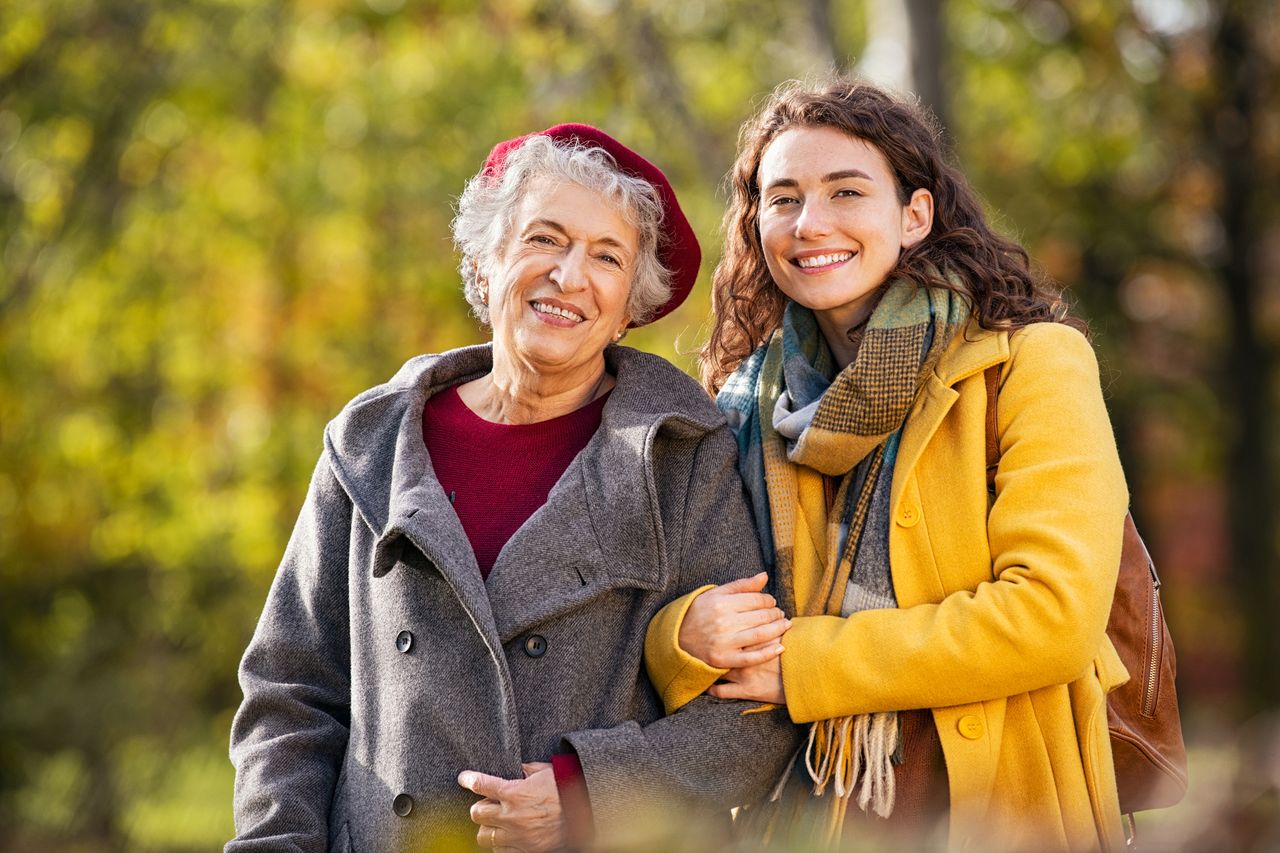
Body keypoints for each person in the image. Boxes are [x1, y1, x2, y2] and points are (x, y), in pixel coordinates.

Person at [227, 123, 800, 851]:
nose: (569, 275)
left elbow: (751, 717)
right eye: (544, 239)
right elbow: (290, 693)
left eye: (606, 257)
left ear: (630, 305)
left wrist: (587, 795)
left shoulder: (682, 451)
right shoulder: (371, 443)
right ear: (485, 262)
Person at [644, 79, 1131, 851]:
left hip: (995, 805)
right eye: (784, 198)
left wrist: (809, 662)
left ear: (914, 216)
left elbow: (1053, 616)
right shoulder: (739, 408)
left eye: (846, 191)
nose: (812, 224)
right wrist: (681, 635)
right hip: (802, 813)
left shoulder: (1030, 363)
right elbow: (672, 610)